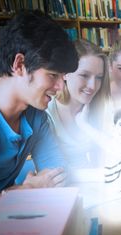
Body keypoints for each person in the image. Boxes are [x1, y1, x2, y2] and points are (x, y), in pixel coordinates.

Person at [0, 10, 78, 194]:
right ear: (19, 65)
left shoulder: (36, 117)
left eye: (63, 77)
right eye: (53, 75)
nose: (61, 87)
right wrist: (22, 190)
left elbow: (57, 175)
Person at [46, 38, 110, 181]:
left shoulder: (98, 106)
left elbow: (108, 155)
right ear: (65, 74)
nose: (93, 86)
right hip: (64, 190)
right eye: (84, 75)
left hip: (95, 184)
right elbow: (53, 171)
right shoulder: (47, 113)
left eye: (99, 77)